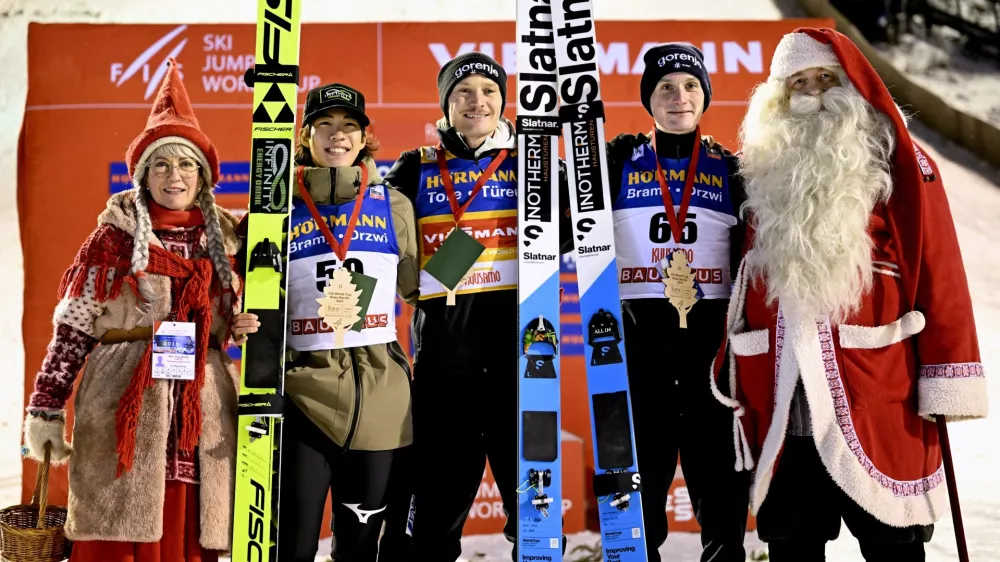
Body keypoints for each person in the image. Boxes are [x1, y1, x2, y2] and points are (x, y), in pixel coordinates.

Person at [714, 27, 988, 560]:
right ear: (779, 96)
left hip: (876, 392)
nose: (814, 93)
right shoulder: (759, 169)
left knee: (893, 547)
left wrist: (947, 377)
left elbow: (941, 274)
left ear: (855, 86)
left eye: (826, 79)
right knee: (793, 544)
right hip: (783, 398)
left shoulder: (902, 164)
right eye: (800, 82)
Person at [21, 58, 255, 561]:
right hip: (122, 400)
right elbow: (74, 328)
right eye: (162, 164)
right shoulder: (111, 239)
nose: (175, 175)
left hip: (200, 406)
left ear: (204, 176)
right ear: (144, 174)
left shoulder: (229, 239)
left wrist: (240, 325)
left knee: (192, 530)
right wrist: (44, 408)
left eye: (187, 164)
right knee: (117, 532)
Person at [382, 52, 572, 561]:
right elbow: (371, 238)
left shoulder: (533, 163)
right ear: (445, 105)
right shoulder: (415, 166)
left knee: (536, 522)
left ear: (504, 102)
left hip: (524, 368)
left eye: (488, 91)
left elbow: (581, 236)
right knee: (432, 525)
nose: (477, 101)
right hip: (446, 368)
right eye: (463, 91)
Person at [257, 82, 418, 562]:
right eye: (324, 124)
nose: (337, 135)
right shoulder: (275, 209)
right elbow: (250, 296)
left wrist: (486, 247)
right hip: (303, 395)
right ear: (304, 135)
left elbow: (421, 286)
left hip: (382, 404)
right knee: (293, 547)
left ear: (364, 138)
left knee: (359, 550)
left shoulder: (393, 205)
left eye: (349, 125)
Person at [601, 44, 751, 562]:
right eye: (665, 86)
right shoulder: (618, 159)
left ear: (705, 95)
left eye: (690, 85)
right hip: (640, 353)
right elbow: (548, 223)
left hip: (711, 357)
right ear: (648, 99)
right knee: (638, 503)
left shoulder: (733, 169)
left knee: (722, 499)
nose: (678, 96)